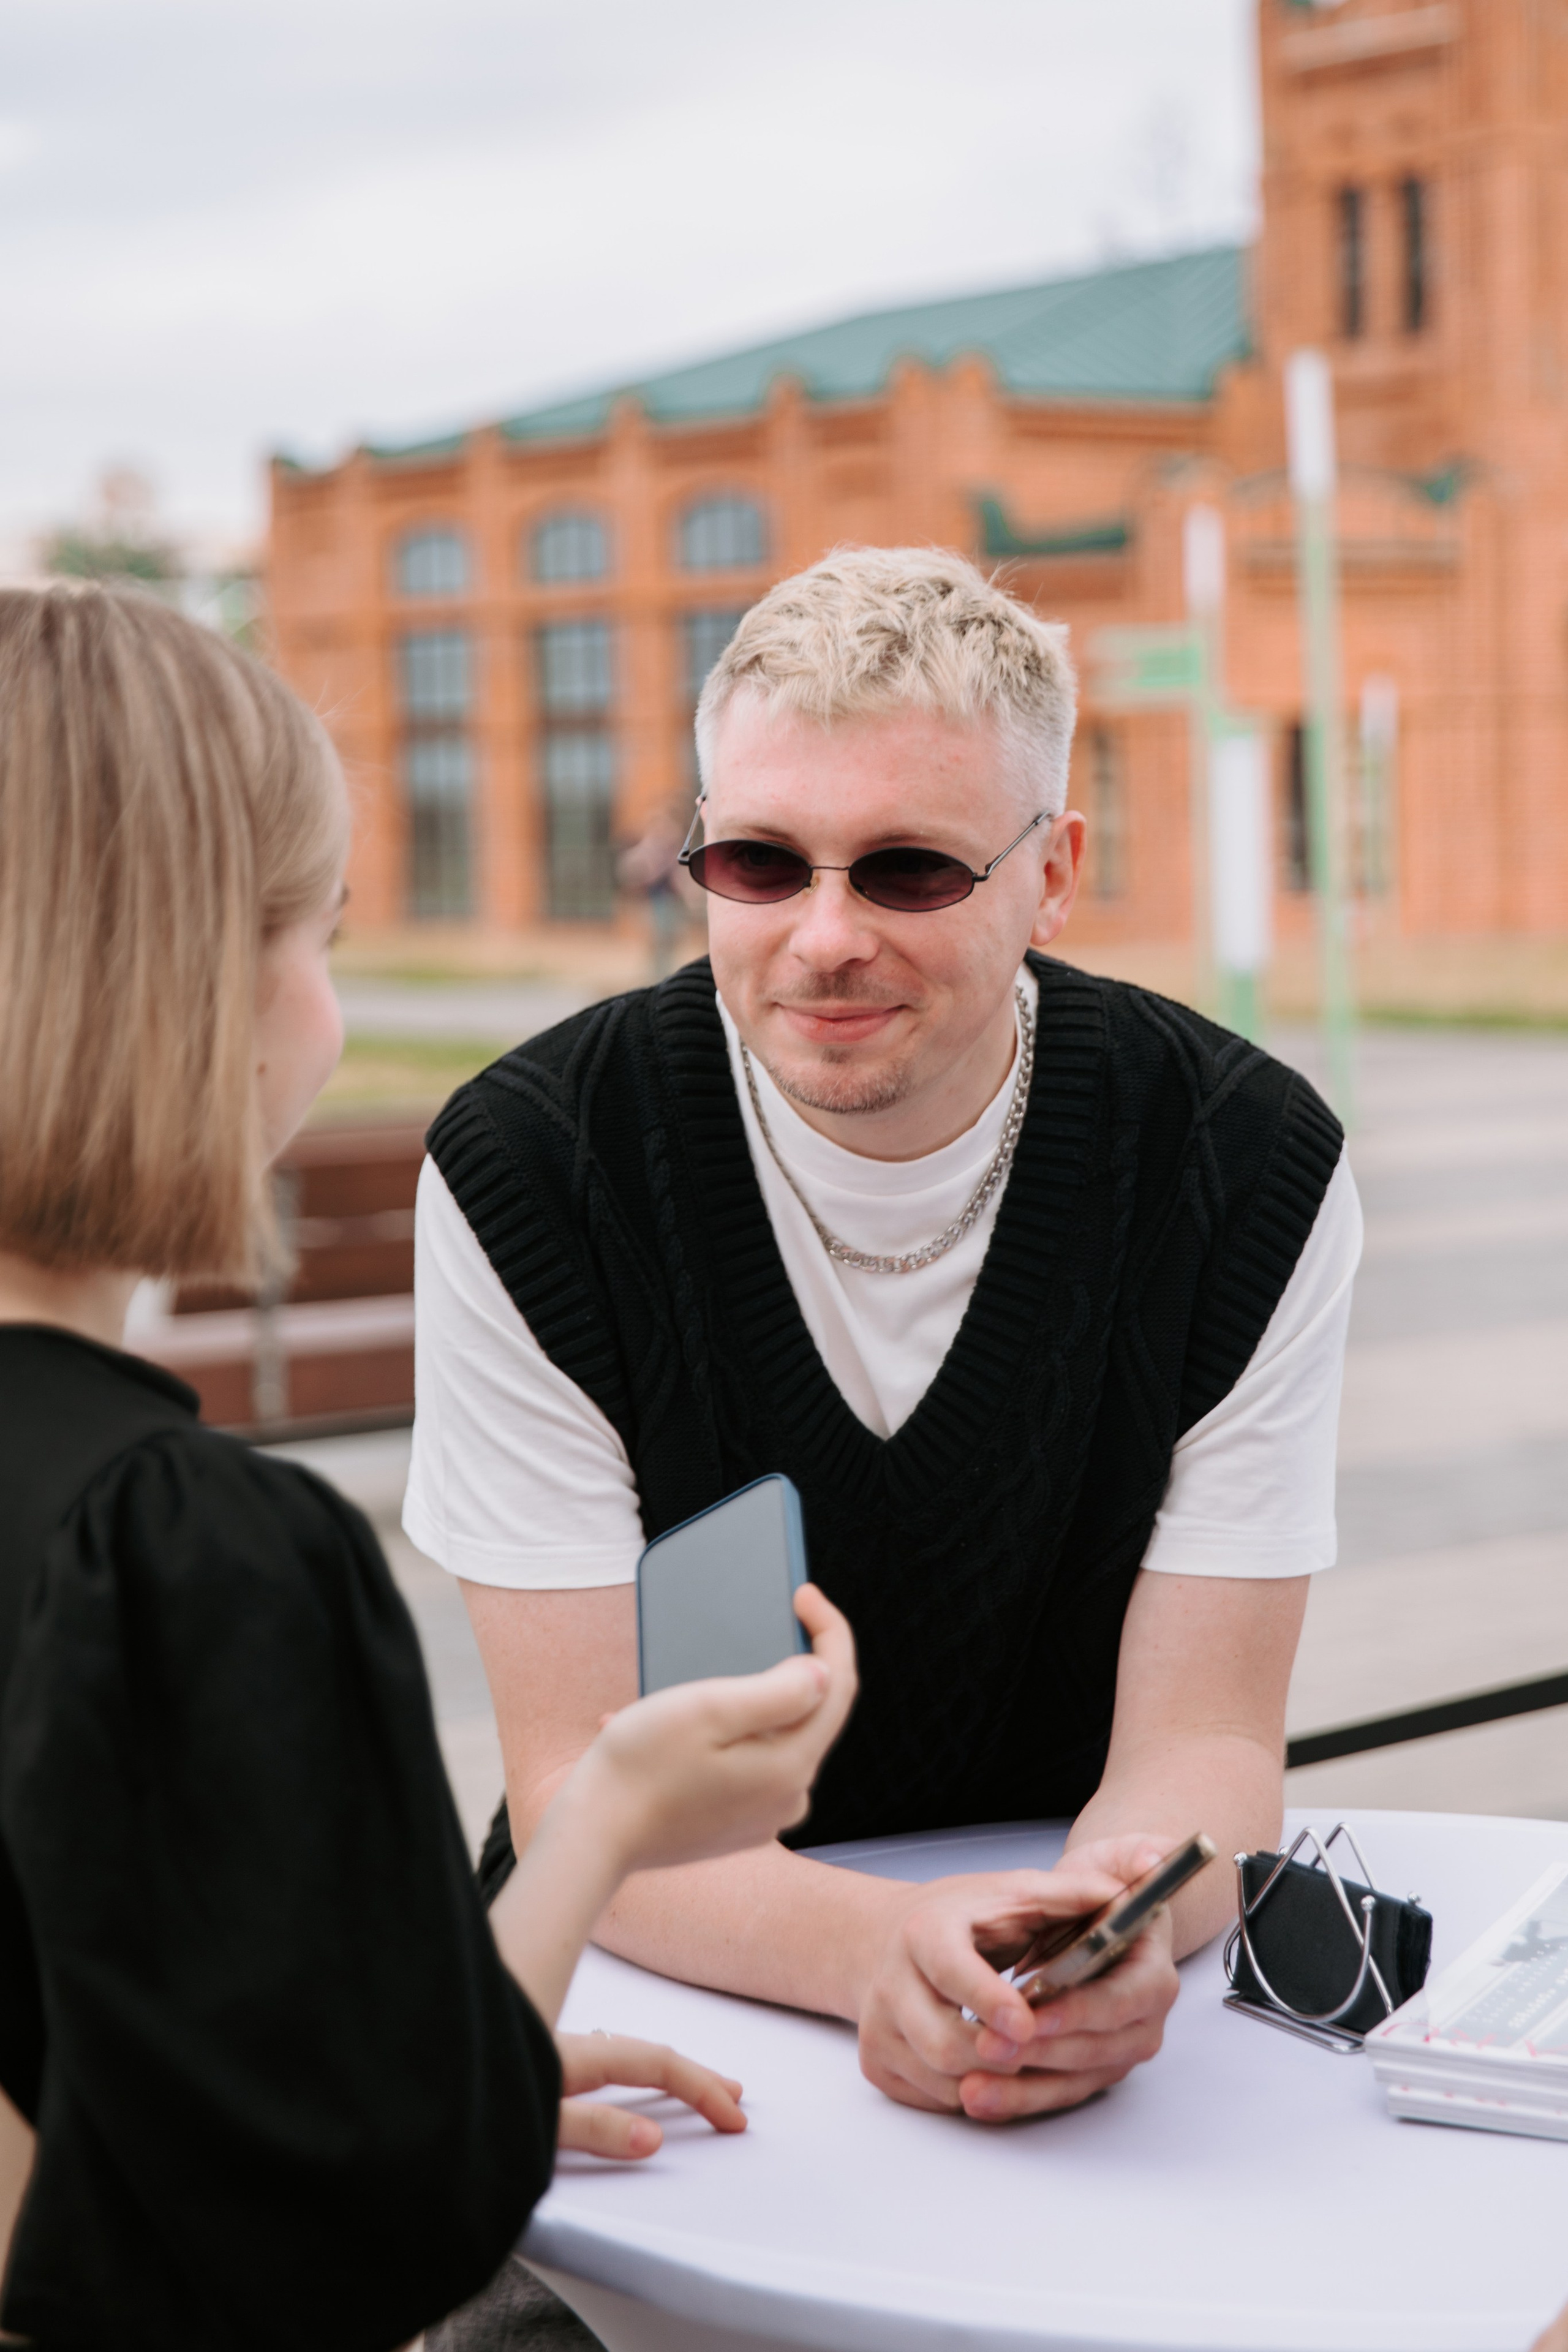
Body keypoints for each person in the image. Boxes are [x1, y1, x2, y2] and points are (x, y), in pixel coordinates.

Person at [0, 582, 859, 2351]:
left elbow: (160, 2118)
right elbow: (354, 2237)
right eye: (315, 932)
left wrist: (475, 2039)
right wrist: (617, 1816)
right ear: (186, 989)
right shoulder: (183, 1555)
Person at [405, 545, 1360, 2125]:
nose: (824, 935)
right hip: (650, 2007)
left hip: (1048, 1973)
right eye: (760, 864)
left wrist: (1110, 1940)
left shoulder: (1245, 1170)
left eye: (908, 870)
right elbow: (576, 1788)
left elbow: (1206, 1745)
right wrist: (883, 1954)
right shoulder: (537, 1172)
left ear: (1054, 871)